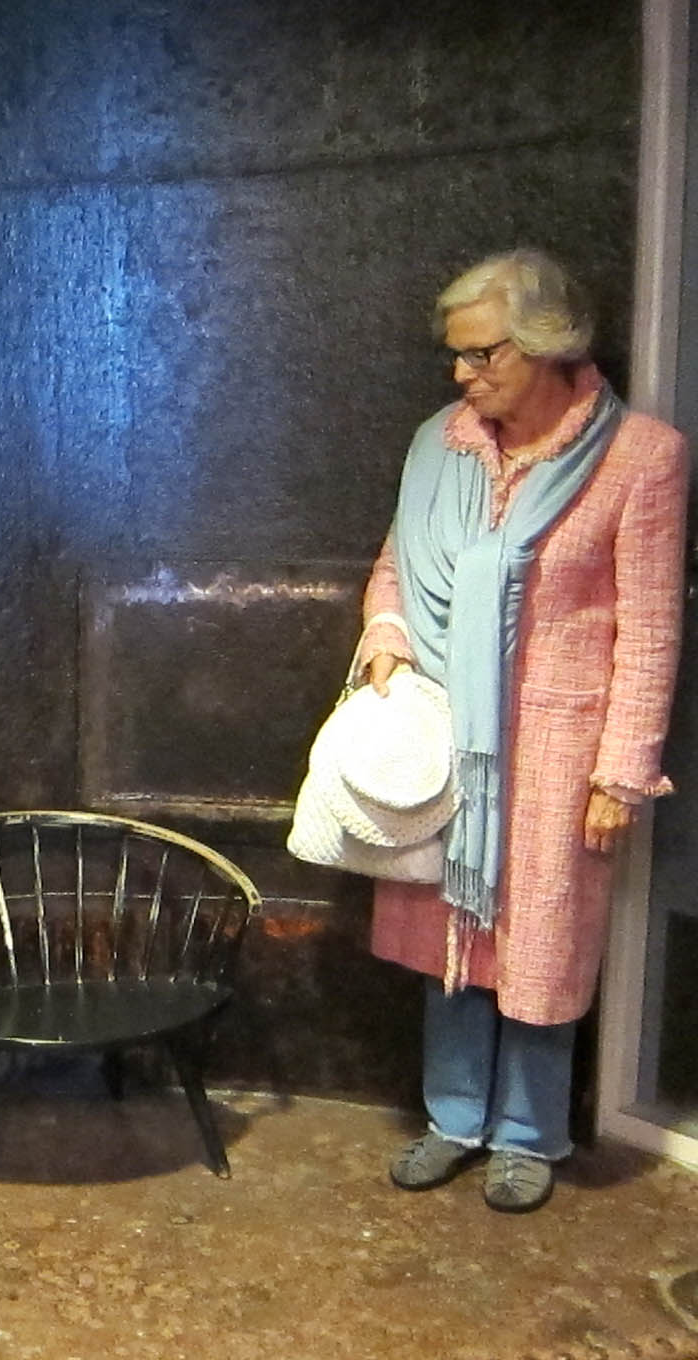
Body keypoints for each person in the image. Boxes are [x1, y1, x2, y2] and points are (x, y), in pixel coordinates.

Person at [360, 249, 687, 1214]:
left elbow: (651, 629)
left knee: (543, 942)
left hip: (559, 751)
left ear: (546, 345)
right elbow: (394, 567)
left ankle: (528, 1135)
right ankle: (454, 1116)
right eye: (456, 355)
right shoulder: (439, 445)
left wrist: (619, 774)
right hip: (446, 738)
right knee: (449, 934)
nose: (462, 373)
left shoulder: (642, 457)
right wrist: (387, 643)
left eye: (482, 353)